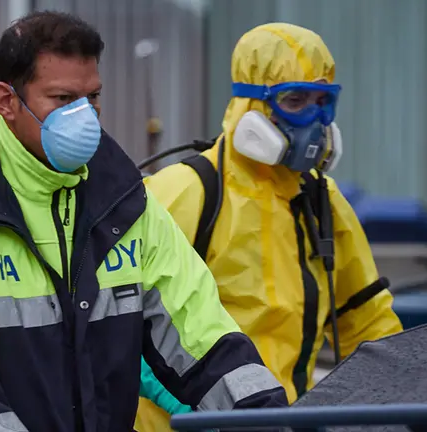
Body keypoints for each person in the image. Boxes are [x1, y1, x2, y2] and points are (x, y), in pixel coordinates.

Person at [0, 11, 289, 432]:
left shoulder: (127, 206)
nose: (84, 116)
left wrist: (266, 416)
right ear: (7, 101)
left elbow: (202, 338)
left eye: (92, 97)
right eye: (63, 100)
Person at [135, 22, 403, 430]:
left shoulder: (322, 201)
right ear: (251, 107)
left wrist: (402, 400)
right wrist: (197, 409)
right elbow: (119, 323)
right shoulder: (184, 193)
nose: (314, 119)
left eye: (323, 101)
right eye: (294, 100)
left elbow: (366, 324)